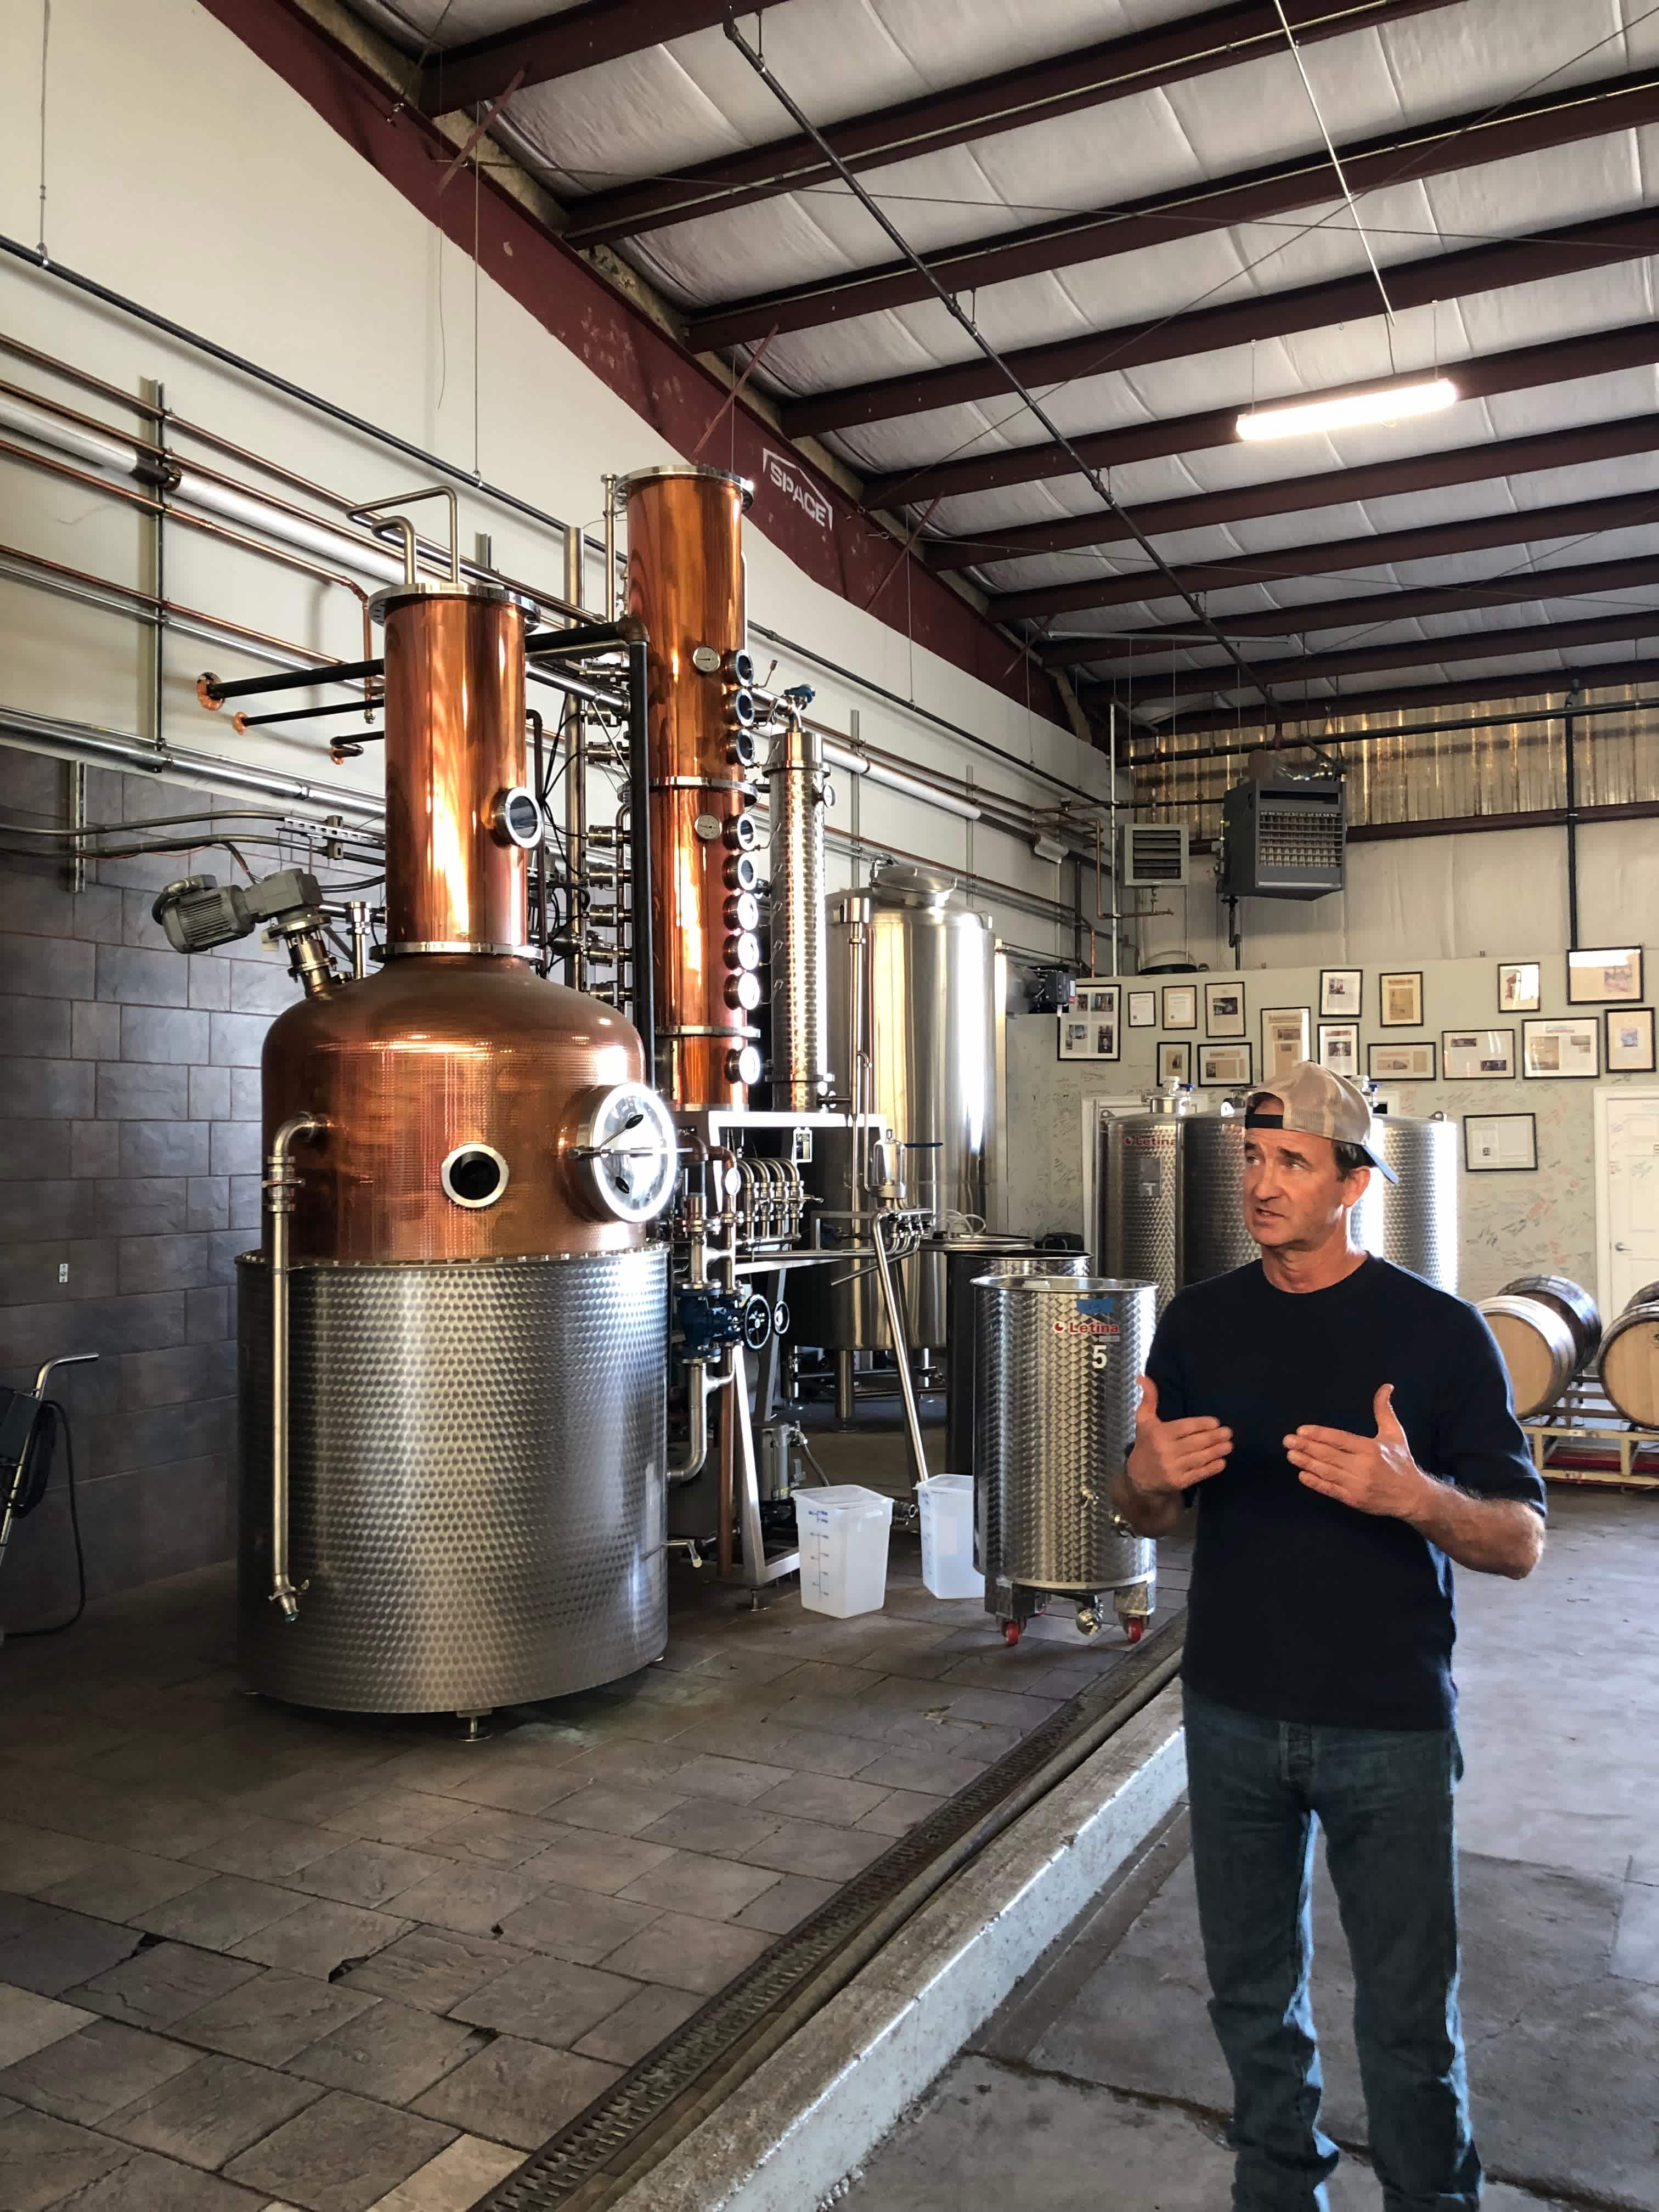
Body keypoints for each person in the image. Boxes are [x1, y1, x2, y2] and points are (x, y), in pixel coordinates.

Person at [1112, 1062, 1545, 2212]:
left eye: (1292, 1162)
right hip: (1234, 1713)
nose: (1262, 1183)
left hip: (1388, 1727)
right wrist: (1143, 1483)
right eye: (1253, 1158)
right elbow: (1146, 1509)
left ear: (1352, 1183)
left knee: (1407, 2020)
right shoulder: (1198, 1322)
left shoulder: (1441, 1333)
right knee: (1250, 2001)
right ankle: (1279, 2192)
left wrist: (1419, 1499)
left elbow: (1518, 1541)